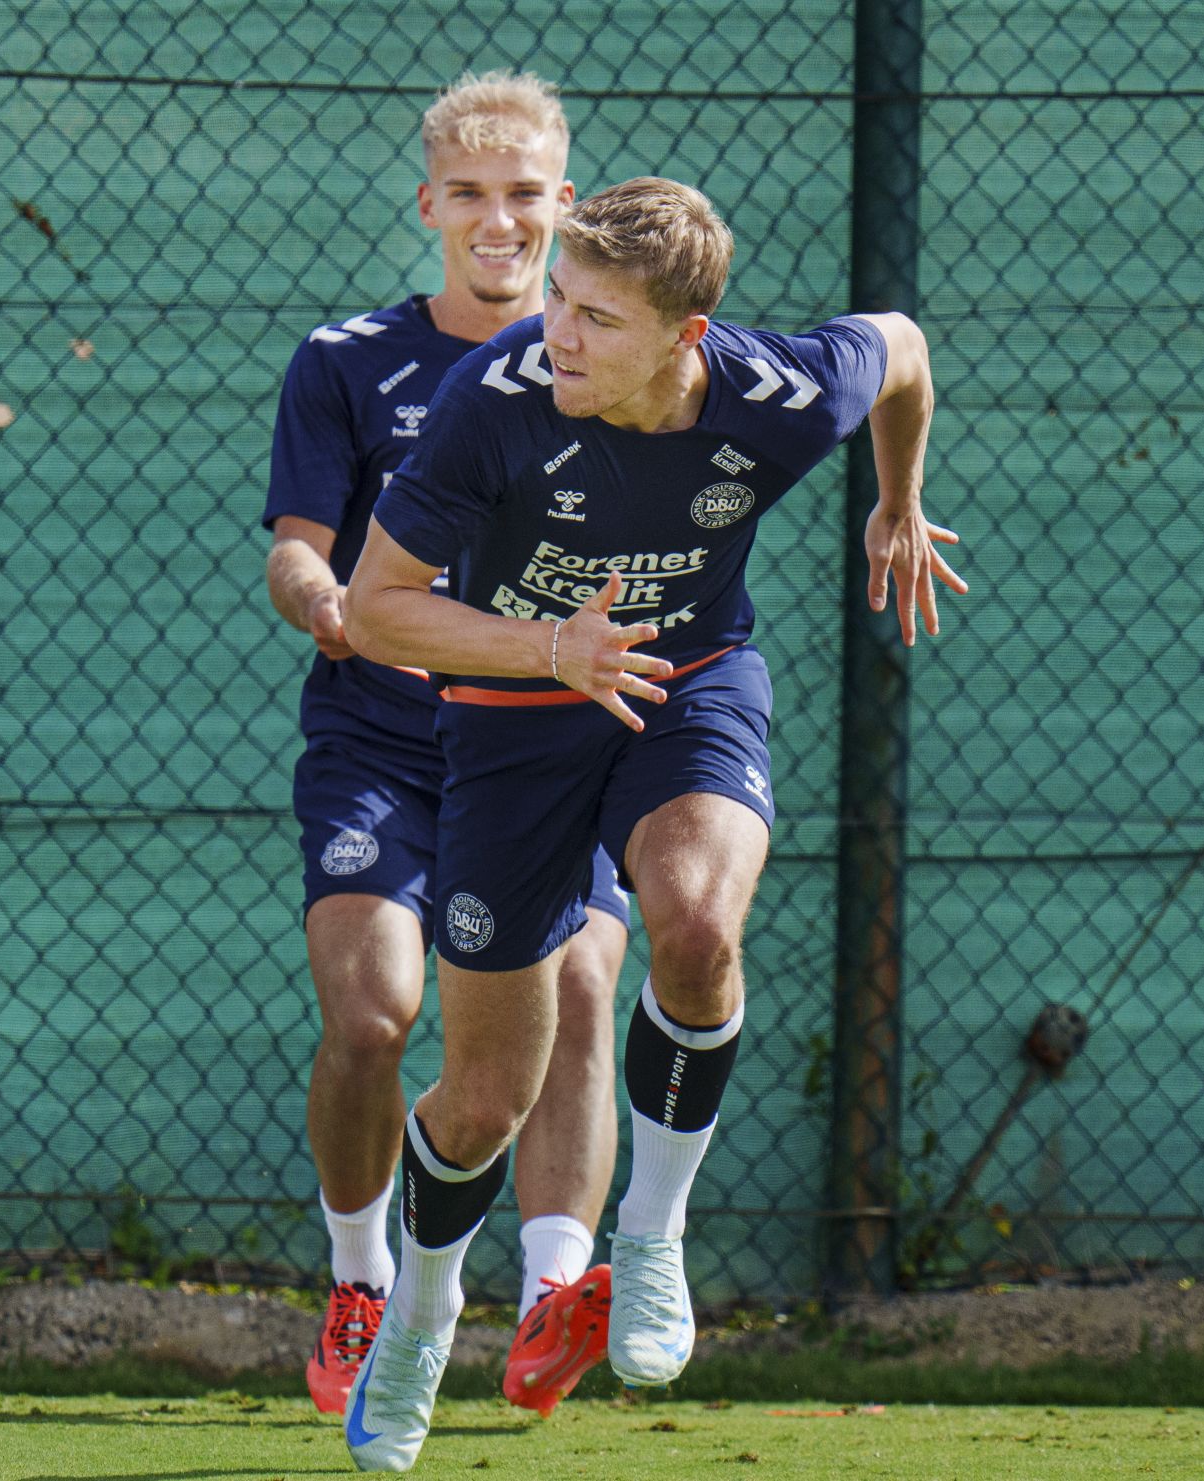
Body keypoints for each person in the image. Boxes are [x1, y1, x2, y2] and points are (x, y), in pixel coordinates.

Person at [339, 176, 967, 1471]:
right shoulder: (494, 400)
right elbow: (373, 608)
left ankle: (650, 1233)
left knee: (692, 926)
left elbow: (902, 347)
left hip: (687, 683)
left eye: (598, 319)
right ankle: (421, 1309)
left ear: (687, 336)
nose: (557, 334)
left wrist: (897, 499)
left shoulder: (777, 396)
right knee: (486, 1096)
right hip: (510, 719)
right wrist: (546, 647)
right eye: (560, 300)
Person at [262, 72, 631, 1420]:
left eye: (524, 194)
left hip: (552, 749)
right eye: (470, 193)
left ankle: (552, 1297)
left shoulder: (612, 360)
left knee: (581, 988)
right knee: (374, 1016)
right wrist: (328, 602)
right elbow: (299, 549)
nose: (498, 219)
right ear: (428, 205)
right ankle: (362, 1280)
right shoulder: (345, 361)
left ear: (564, 206)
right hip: (384, 746)